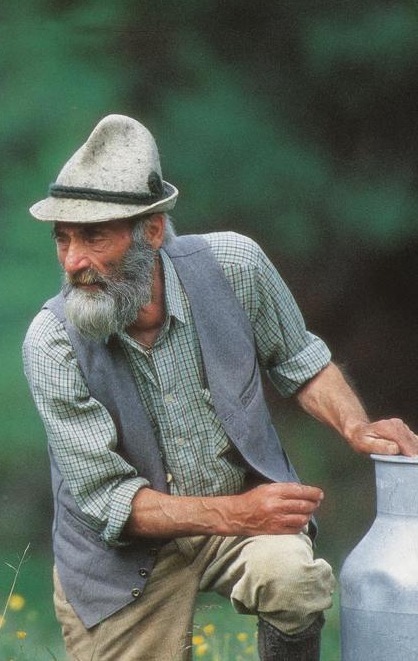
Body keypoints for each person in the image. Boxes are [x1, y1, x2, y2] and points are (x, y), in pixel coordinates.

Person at [21, 114, 418, 661]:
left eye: (93, 236)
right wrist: (238, 513)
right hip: (121, 560)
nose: (73, 262)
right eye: (62, 239)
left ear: (153, 231)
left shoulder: (236, 265)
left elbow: (301, 361)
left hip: (244, 513)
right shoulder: (51, 343)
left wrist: (356, 424)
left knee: (294, 579)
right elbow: (111, 505)